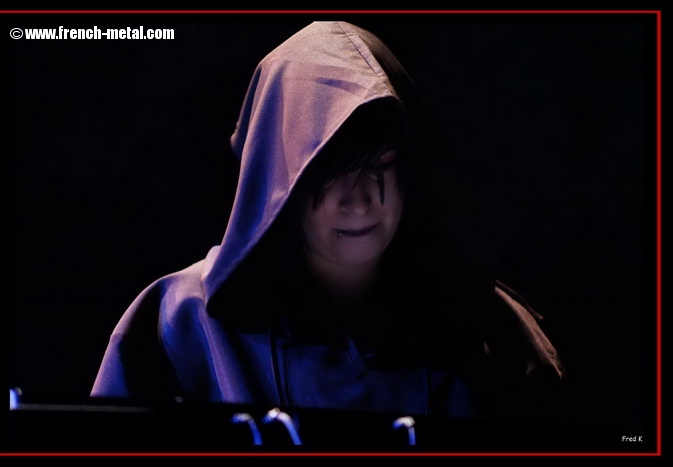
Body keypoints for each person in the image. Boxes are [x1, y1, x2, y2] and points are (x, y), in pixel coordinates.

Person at [91, 21, 565, 424]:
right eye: (326, 172)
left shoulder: (492, 329)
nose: (358, 201)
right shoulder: (177, 324)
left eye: (379, 165)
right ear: (278, 175)